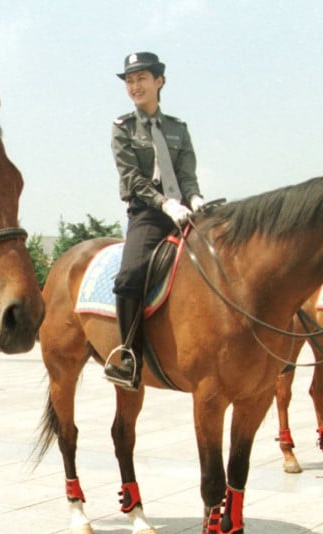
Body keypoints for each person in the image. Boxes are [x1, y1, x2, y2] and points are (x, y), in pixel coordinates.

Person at [105, 51, 205, 391]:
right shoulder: (123, 128)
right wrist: (165, 204)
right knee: (130, 276)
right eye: (130, 81)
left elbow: (187, 174)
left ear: (159, 81)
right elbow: (132, 179)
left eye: (142, 78)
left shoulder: (178, 128)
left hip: (185, 209)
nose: (135, 86)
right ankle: (129, 357)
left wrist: (194, 198)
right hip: (148, 213)